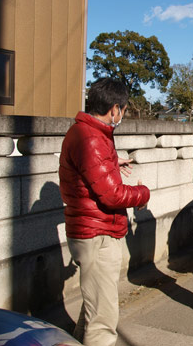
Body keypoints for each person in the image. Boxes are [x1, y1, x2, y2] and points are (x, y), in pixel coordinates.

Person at [59, 78, 150, 346]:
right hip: (97, 232)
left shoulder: (87, 133)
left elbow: (91, 173)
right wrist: (142, 193)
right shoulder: (92, 138)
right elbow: (112, 195)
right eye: (123, 109)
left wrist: (111, 161)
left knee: (95, 304)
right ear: (114, 109)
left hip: (91, 229)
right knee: (103, 317)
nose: (122, 114)